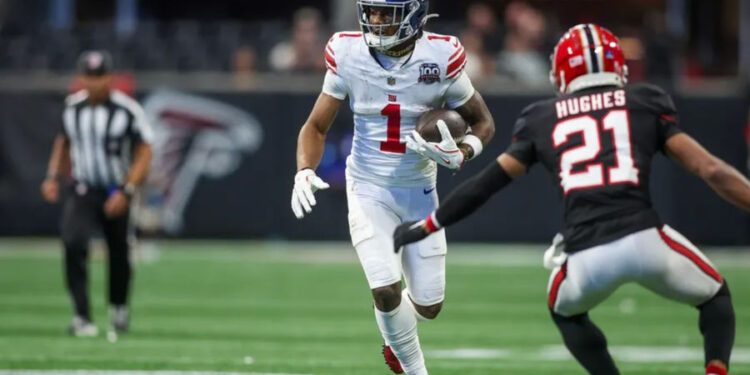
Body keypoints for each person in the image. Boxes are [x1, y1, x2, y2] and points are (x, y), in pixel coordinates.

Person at [394, 24, 750, 375]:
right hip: (645, 239)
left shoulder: (542, 118)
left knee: (563, 310)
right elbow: (711, 170)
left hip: (587, 256)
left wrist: (428, 225)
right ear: (618, 68)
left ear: (560, 72)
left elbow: (487, 185)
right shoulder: (644, 102)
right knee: (715, 298)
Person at [290, 1, 495, 373]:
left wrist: (462, 153)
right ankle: (413, 368)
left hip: (420, 191)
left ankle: (393, 332)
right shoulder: (348, 52)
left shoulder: (441, 55)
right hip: (368, 187)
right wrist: (304, 169)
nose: (376, 21)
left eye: (387, 13)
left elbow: (483, 123)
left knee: (429, 306)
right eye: (372, 12)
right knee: (385, 287)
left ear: (414, 14)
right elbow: (315, 126)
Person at [41, 50, 153, 337]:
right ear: (81, 79)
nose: (94, 83)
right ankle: (82, 316)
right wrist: (54, 176)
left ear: (110, 78)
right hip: (84, 188)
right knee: (73, 242)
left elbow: (144, 152)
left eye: (100, 77)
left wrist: (127, 190)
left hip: (117, 189)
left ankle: (118, 308)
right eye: (89, 77)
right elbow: (63, 142)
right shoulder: (73, 109)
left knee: (119, 252)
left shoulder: (127, 110)